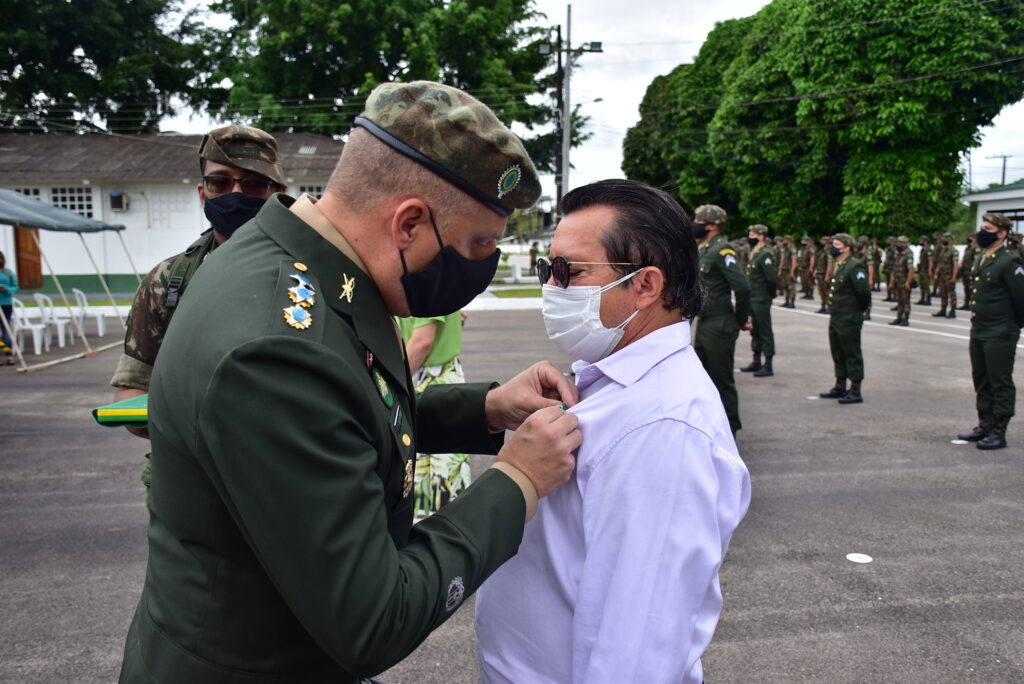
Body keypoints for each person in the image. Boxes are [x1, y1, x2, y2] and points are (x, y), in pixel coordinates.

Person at [118, 81, 583, 682]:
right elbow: (374, 619)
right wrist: (517, 481)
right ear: (409, 223)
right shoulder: (277, 348)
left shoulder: (292, 259)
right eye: (477, 244)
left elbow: (347, 412)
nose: (482, 265)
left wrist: (487, 409)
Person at [477, 179, 750, 684]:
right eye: (547, 269)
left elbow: (635, 650)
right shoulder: (608, 382)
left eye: (569, 272)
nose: (551, 287)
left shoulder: (663, 427)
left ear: (646, 285)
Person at [110, 124, 288, 441]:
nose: (235, 194)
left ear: (277, 193)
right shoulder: (166, 282)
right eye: (220, 182)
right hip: (192, 474)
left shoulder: (312, 272)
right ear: (202, 192)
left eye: (254, 184)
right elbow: (131, 394)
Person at [956, 213, 1024, 450]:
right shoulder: (981, 257)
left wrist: (1011, 327)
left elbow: (1021, 298)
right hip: (980, 328)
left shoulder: (1009, 261)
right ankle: (985, 424)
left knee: (999, 381)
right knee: (981, 378)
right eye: (982, 227)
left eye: (988, 228)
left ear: (1002, 234)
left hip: (1000, 331)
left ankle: (999, 431)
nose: (982, 232)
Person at [397, 311, 471, 518]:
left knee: (435, 475)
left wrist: (394, 379)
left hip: (429, 380)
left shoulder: (425, 283)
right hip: (440, 378)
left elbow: (423, 342)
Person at [692, 204, 750, 433]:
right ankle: (712, 430)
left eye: (699, 219)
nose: (694, 223)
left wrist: (740, 319)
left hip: (720, 323)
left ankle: (731, 433)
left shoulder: (722, 250)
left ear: (713, 225)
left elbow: (743, 288)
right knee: (705, 382)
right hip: (706, 322)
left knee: (721, 381)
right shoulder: (703, 248)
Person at [819, 233, 871, 404]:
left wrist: (858, 310)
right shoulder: (839, 265)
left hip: (849, 315)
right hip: (837, 315)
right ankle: (840, 385)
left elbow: (863, 292)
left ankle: (855, 389)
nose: (832, 247)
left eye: (836, 244)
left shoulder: (854, 266)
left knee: (851, 352)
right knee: (838, 350)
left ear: (847, 248)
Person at [741, 224, 777, 377]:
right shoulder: (754, 253)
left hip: (761, 298)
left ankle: (768, 364)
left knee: (764, 331)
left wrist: (769, 295)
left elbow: (771, 279)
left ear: (761, 236)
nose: (750, 237)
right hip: (752, 297)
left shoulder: (765, 254)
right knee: (754, 330)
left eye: (753, 234)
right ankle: (756, 360)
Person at [889, 235, 915, 326]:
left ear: (905, 244)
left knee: (905, 300)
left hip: (904, 281)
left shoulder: (909, 254)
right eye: (898, 242)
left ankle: (905, 319)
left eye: (900, 243)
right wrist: (892, 281)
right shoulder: (898, 254)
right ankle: (899, 317)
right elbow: (894, 268)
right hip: (897, 280)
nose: (898, 244)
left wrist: (908, 282)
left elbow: (911, 269)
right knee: (899, 300)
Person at [932, 231, 957, 318]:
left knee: (951, 293)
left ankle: (952, 310)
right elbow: (939, 263)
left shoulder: (953, 251)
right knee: (943, 292)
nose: (944, 240)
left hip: (949, 275)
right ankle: (943, 309)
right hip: (942, 275)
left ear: (950, 240)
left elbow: (956, 265)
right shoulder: (943, 250)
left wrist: (954, 277)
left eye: (946, 239)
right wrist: (936, 273)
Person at [0, 251, 18, 365]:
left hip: (6, 303)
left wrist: (6, 289)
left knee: (6, 329)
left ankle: (8, 353)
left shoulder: (8, 273)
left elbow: (15, 287)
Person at [954, 232, 978, 311]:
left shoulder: (977, 248)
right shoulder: (967, 248)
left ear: (975, 238)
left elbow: (977, 260)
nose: (969, 239)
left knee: (971, 289)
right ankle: (966, 304)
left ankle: (972, 305)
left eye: (971, 237)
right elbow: (964, 259)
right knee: (966, 288)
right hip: (965, 271)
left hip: (971, 271)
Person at [814, 234, 831, 313]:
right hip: (820, 273)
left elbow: (829, 264)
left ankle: (829, 307)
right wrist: (816, 270)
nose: (821, 242)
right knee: (821, 291)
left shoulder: (829, 251)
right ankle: (823, 306)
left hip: (825, 273)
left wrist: (827, 275)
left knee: (827, 291)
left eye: (823, 241)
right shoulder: (821, 251)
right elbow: (818, 262)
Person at [916, 234, 933, 306]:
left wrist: (930, 270)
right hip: (921, 270)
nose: (920, 242)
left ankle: (928, 300)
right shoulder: (923, 250)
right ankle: (922, 298)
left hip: (926, 270)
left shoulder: (928, 250)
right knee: (922, 285)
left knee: (926, 285)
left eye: (921, 241)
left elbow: (930, 260)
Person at [883, 235, 898, 301]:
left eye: (890, 241)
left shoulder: (895, 250)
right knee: (888, 282)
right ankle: (889, 296)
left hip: (892, 268)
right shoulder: (888, 249)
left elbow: (896, 259)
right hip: (887, 268)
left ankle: (894, 296)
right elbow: (886, 259)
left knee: (893, 282)